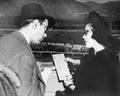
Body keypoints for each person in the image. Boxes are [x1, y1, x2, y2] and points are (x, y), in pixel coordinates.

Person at [0, 3, 55, 96]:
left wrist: (34, 68)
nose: (45, 34)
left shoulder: (5, 39)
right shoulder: (24, 56)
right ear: (35, 24)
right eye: (45, 28)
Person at [63, 11, 120, 96]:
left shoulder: (103, 63)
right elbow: (88, 61)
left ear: (96, 33)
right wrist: (74, 61)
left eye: (86, 32)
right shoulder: (101, 55)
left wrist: (70, 85)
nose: (83, 37)